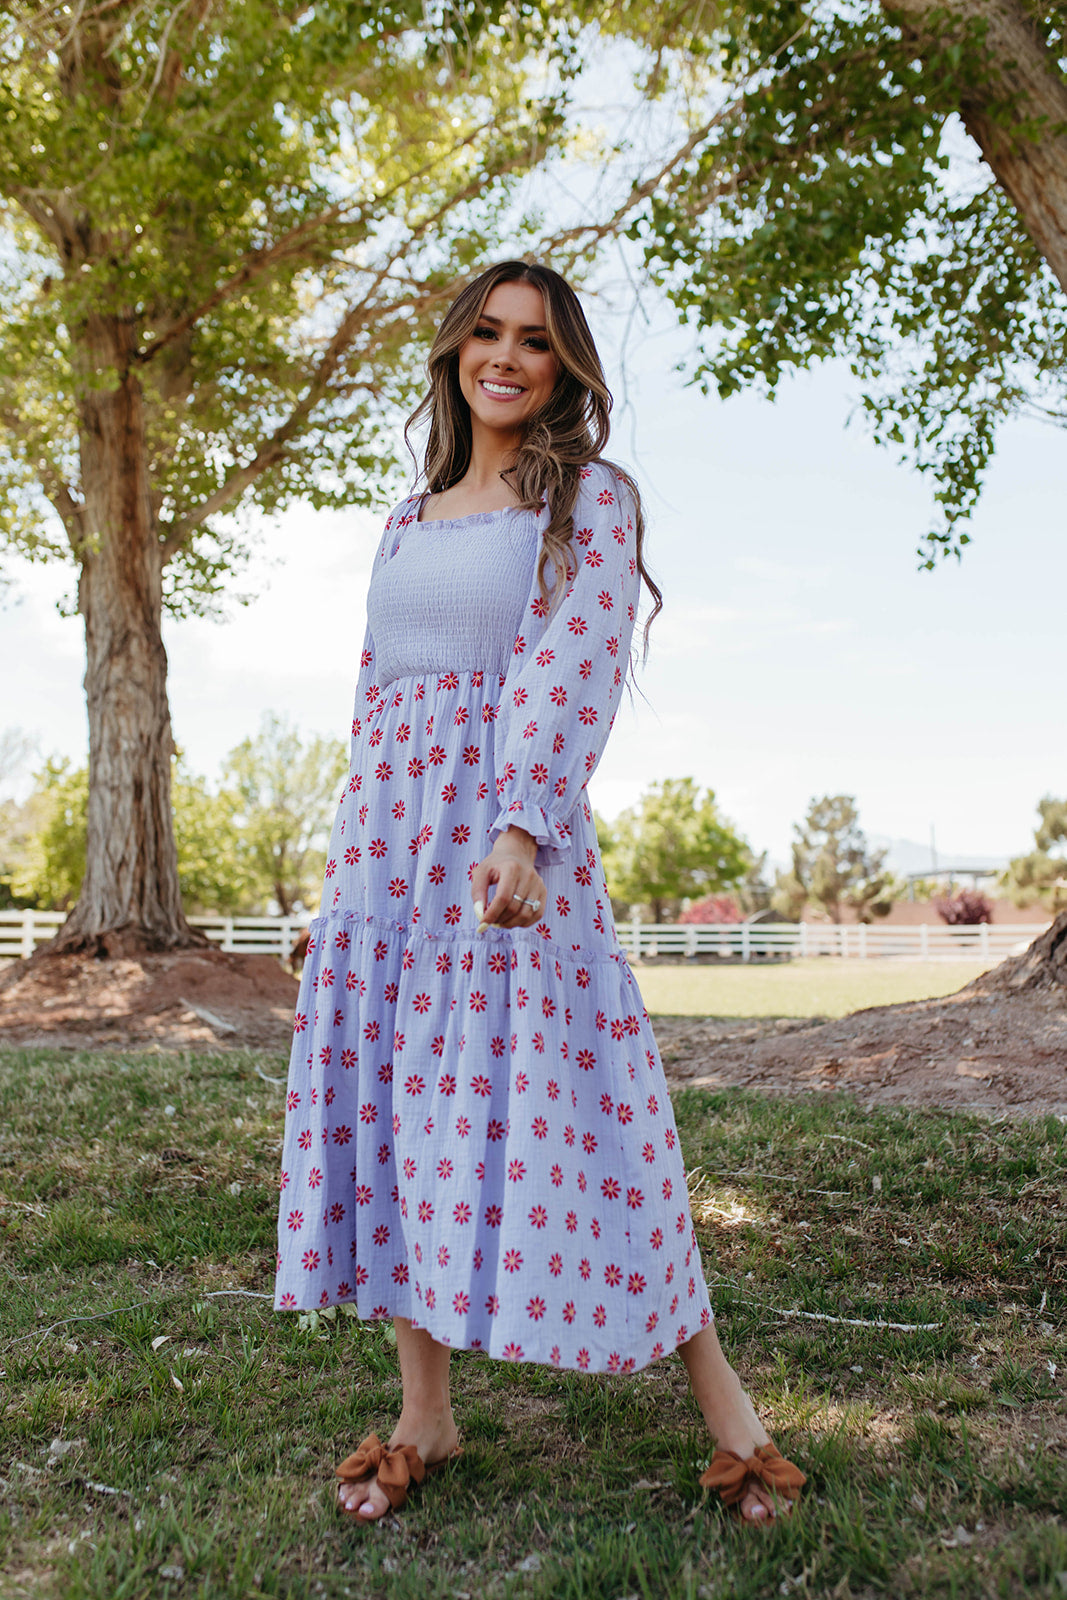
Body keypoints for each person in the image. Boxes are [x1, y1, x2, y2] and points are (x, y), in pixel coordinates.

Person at [273, 260, 805, 1526]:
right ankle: (424, 1414)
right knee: (400, 1113)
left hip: (509, 846)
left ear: (565, 366)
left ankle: (729, 1416)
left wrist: (521, 826)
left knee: (597, 1111)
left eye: (536, 342)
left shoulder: (585, 500)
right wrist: (345, 876)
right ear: (455, 350)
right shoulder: (404, 523)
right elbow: (375, 701)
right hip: (388, 863)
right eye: (486, 334)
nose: (506, 357)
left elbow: (569, 666)